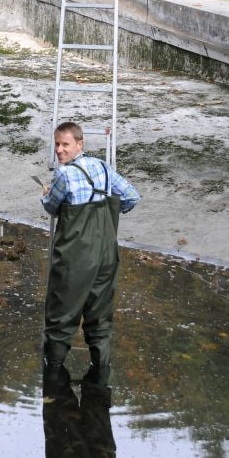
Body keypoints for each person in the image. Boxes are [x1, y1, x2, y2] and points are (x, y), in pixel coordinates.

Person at [40, 121, 140, 387]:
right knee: (100, 316)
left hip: (76, 258)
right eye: (58, 144)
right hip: (107, 255)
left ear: (79, 145)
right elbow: (131, 197)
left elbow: (51, 207)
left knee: (62, 315)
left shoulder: (63, 176)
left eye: (65, 145)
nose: (60, 150)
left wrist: (45, 194)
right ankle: (101, 376)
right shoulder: (104, 168)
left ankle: (53, 381)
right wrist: (108, 216)